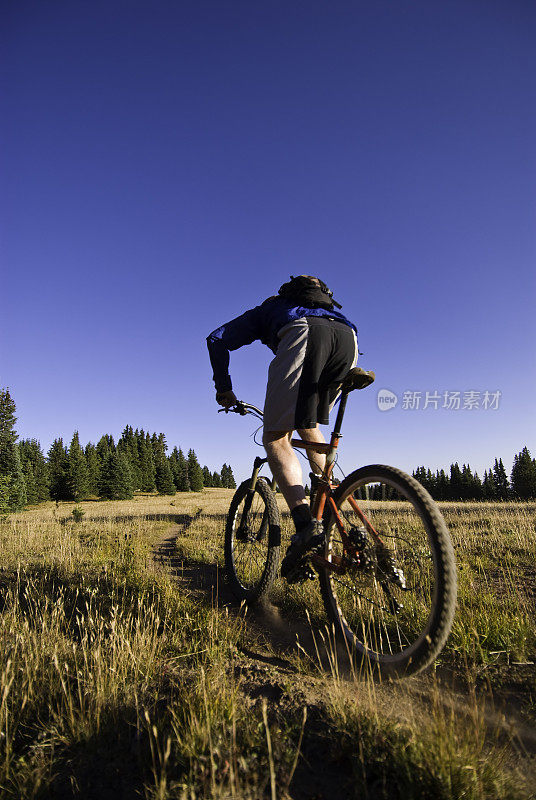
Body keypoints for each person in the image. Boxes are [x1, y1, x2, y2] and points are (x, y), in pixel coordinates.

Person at [206, 276, 358, 579]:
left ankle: (305, 527)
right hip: (349, 339)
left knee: (275, 437)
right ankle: (330, 508)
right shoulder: (329, 308)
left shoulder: (272, 308)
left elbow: (217, 338)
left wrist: (224, 388)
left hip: (304, 334)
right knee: (307, 424)